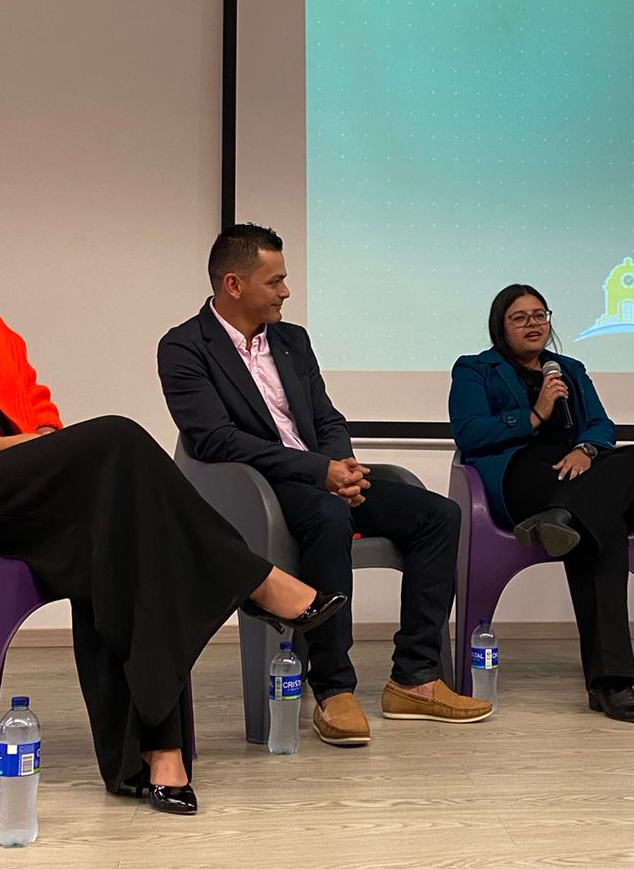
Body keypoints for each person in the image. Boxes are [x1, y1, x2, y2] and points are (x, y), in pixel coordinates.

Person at [0, 157, 346, 817]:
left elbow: (33, 399)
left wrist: (40, 443)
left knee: (128, 538)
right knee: (118, 440)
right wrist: (2, 446)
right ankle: (254, 580)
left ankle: (157, 756)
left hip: (22, 485)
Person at [158, 224, 491, 747]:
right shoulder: (183, 347)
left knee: (438, 516)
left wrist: (345, 466)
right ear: (233, 285)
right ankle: (334, 687)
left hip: (322, 478)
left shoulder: (292, 340)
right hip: (257, 489)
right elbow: (216, 441)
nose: (286, 292)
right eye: (276, 282)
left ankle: (415, 677)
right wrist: (319, 474)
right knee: (328, 515)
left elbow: (326, 416)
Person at [449, 284, 634, 723]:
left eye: (540, 314)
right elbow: (470, 434)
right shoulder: (475, 369)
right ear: (501, 326)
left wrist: (586, 450)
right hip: (523, 471)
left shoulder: (570, 367)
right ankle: (613, 684)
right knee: (603, 525)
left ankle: (564, 517)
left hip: (579, 469)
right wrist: (534, 414)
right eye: (520, 317)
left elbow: (601, 424)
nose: (534, 324)